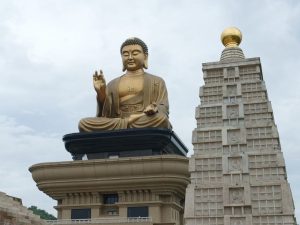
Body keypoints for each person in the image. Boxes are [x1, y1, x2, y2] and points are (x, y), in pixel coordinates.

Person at [78, 37, 171, 132]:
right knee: (83, 123)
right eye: (125, 54)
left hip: (144, 119)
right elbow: (105, 114)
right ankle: (128, 122)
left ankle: (127, 123)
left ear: (145, 56)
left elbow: (163, 107)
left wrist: (154, 108)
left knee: (160, 119)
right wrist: (101, 92)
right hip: (118, 120)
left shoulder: (156, 81)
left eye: (135, 53)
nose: (130, 57)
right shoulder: (112, 84)